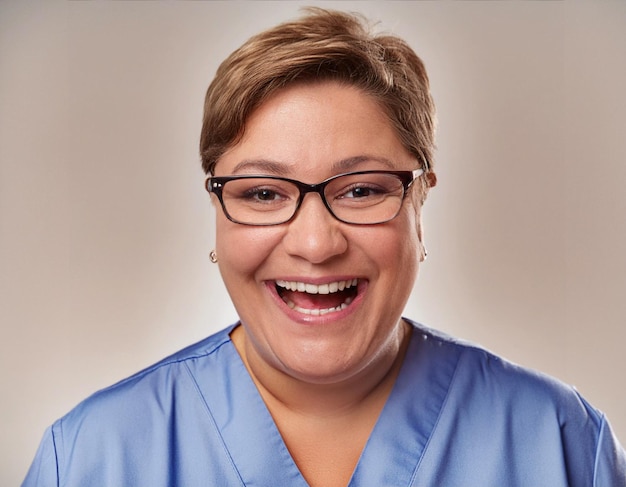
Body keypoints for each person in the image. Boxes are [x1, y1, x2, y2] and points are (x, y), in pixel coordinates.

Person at [22, 8, 625, 487]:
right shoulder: (88, 458)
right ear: (217, 210)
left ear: (420, 203)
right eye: (262, 193)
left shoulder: (563, 444)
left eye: (361, 189)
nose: (314, 244)